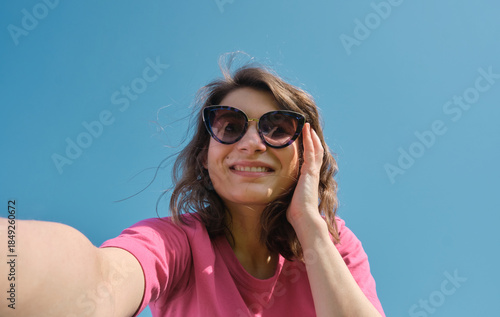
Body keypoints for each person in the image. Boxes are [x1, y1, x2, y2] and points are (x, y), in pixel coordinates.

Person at [0, 59, 385, 317]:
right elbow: (99, 279)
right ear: (205, 155)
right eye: (230, 127)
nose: (252, 142)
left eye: (277, 128)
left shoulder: (335, 244)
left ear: (305, 155)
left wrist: (311, 228)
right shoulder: (176, 242)